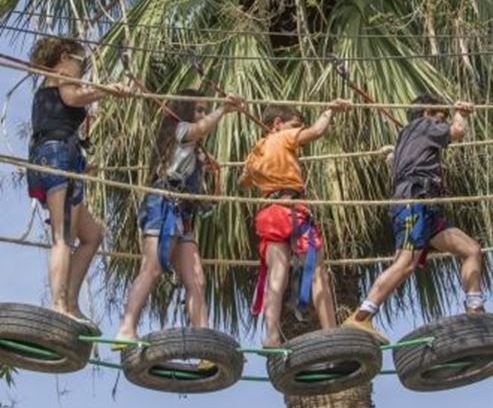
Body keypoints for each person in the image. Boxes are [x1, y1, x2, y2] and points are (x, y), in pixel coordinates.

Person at [343, 94, 485, 344]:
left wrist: (392, 156)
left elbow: (403, 165)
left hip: (427, 207)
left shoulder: (408, 138)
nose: (443, 123)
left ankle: (475, 309)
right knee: (405, 263)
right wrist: (460, 112)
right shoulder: (423, 125)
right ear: (428, 112)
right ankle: (362, 315)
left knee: (471, 249)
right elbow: (458, 131)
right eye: (441, 118)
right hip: (413, 202)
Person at [114, 90, 244, 347]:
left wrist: (207, 170)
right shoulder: (180, 130)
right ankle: (126, 329)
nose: (203, 115)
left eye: (205, 110)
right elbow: (199, 129)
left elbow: (209, 195)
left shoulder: (193, 152)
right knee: (152, 268)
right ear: (185, 111)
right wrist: (222, 110)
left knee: (196, 279)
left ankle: (203, 340)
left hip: (182, 212)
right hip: (162, 205)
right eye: (198, 110)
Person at [27, 37, 131, 325]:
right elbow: (72, 98)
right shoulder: (61, 76)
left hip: (61, 154)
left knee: (91, 235)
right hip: (56, 153)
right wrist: (107, 91)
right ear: (64, 56)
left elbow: (70, 105)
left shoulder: (56, 82)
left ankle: (70, 303)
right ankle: (58, 305)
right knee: (63, 236)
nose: (81, 71)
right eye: (80, 64)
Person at [239, 100, 352, 347]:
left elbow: (244, 181)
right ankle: (331, 332)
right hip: (291, 210)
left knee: (276, 275)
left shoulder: (255, 151)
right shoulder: (283, 136)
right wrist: (329, 111)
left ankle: (271, 336)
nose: (297, 130)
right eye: (294, 125)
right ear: (278, 124)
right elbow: (316, 132)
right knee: (317, 272)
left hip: (268, 212)